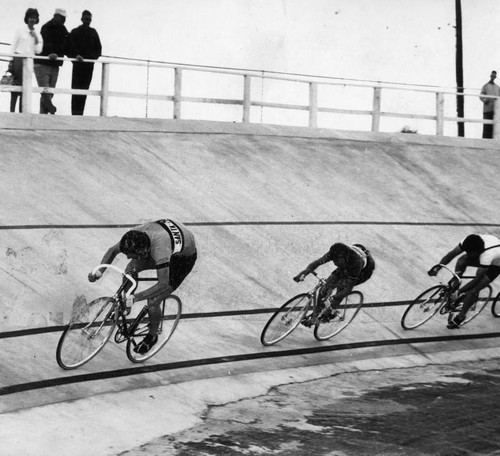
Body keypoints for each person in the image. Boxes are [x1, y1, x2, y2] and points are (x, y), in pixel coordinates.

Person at [88, 219, 197, 354]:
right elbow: (112, 250)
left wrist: (136, 297)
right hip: (163, 237)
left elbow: (162, 284)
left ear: (143, 253)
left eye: (131, 255)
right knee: (130, 269)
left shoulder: (160, 251)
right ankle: (126, 306)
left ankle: (152, 336)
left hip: (182, 259)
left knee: (153, 300)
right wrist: (99, 272)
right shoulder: (134, 236)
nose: (127, 257)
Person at [428, 234, 500, 329]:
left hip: (496, 266)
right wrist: (438, 267)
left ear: (477, 252)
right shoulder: (468, 241)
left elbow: (477, 279)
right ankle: (455, 285)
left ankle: (461, 317)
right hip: (485, 252)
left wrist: (460, 292)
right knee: (462, 260)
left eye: (470, 253)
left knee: (473, 290)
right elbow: (452, 254)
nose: (467, 254)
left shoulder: (487, 255)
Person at [293, 242, 375, 324]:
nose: (335, 262)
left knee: (341, 288)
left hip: (362, 273)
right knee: (324, 289)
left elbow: (347, 289)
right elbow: (317, 263)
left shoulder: (356, 263)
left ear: (344, 257)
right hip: (345, 266)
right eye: (334, 259)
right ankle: (316, 314)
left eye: (337, 261)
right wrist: (304, 273)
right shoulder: (334, 253)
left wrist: (333, 298)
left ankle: (330, 314)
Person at [34, 8, 71, 114]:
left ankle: (43, 117)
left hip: (54, 65)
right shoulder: (46, 27)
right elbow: (46, 41)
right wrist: (50, 52)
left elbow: (69, 44)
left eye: (64, 18)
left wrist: (76, 55)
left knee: (49, 93)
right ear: (55, 16)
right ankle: (50, 107)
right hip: (42, 64)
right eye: (61, 18)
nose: (63, 20)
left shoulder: (63, 30)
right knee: (45, 92)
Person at [68, 10, 102, 115]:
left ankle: (80, 114)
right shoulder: (75, 31)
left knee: (85, 90)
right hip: (78, 66)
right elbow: (69, 48)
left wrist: (91, 58)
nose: (88, 21)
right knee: (76, 90)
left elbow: (99, 49)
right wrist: (75, 56)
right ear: (82, 19)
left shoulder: (93, 32)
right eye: (86, 19)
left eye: (89, 19)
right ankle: (74, 114)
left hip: (88, 66)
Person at [10, 8, 43, 112]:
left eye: (34, 18)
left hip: (29, 63)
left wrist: (36, 38)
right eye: (30, 17)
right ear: (27, 18)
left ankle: (22, 112)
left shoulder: (38, 34)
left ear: (37, 20)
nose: (32, 20)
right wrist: (11, 60)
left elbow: (38, 51)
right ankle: (12, 111)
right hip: (18, 61)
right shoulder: (20, 30)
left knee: (25, 88)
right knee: (15, 88)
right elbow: (13, 46)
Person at [479, 71, 500, 139]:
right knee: (487, 127)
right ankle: (484, 143)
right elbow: (481, 96)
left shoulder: (497, 87)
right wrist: (485, 100)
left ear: (495, 77)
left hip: (495, 111)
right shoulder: (485, 86)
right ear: (490, 76)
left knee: (494, 128)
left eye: (494, 76)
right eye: (492, 76)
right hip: (487, 110)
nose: (493, 77)